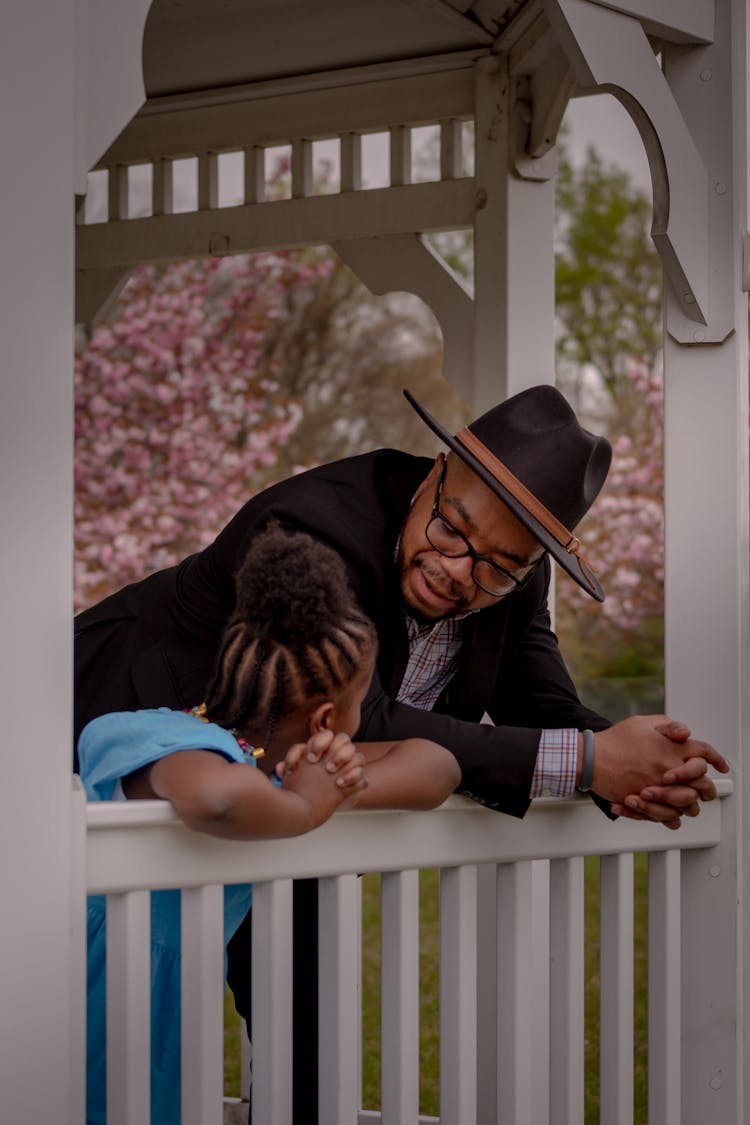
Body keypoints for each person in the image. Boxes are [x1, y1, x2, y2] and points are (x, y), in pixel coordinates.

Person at [74, 383, 727, 1122]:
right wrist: (584, 760)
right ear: (436, 471)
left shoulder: (514, 573)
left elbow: (543, 713)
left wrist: (638, 765)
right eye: (452, 529)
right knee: (102, 1032)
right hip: (122, 758)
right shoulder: (311, 529)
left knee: (301, 1027)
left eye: (496, 566)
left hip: (289, 796)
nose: (458, 569)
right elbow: (369, 714)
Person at [79, 524, 460, 1125]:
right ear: (328, 717)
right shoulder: (159, 736)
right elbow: (215, 800)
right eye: (366, 702)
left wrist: (337, 788)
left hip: (160, 1022)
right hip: (85, 1006)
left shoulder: (276, 774)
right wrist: (308, 809)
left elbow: (439, 767)